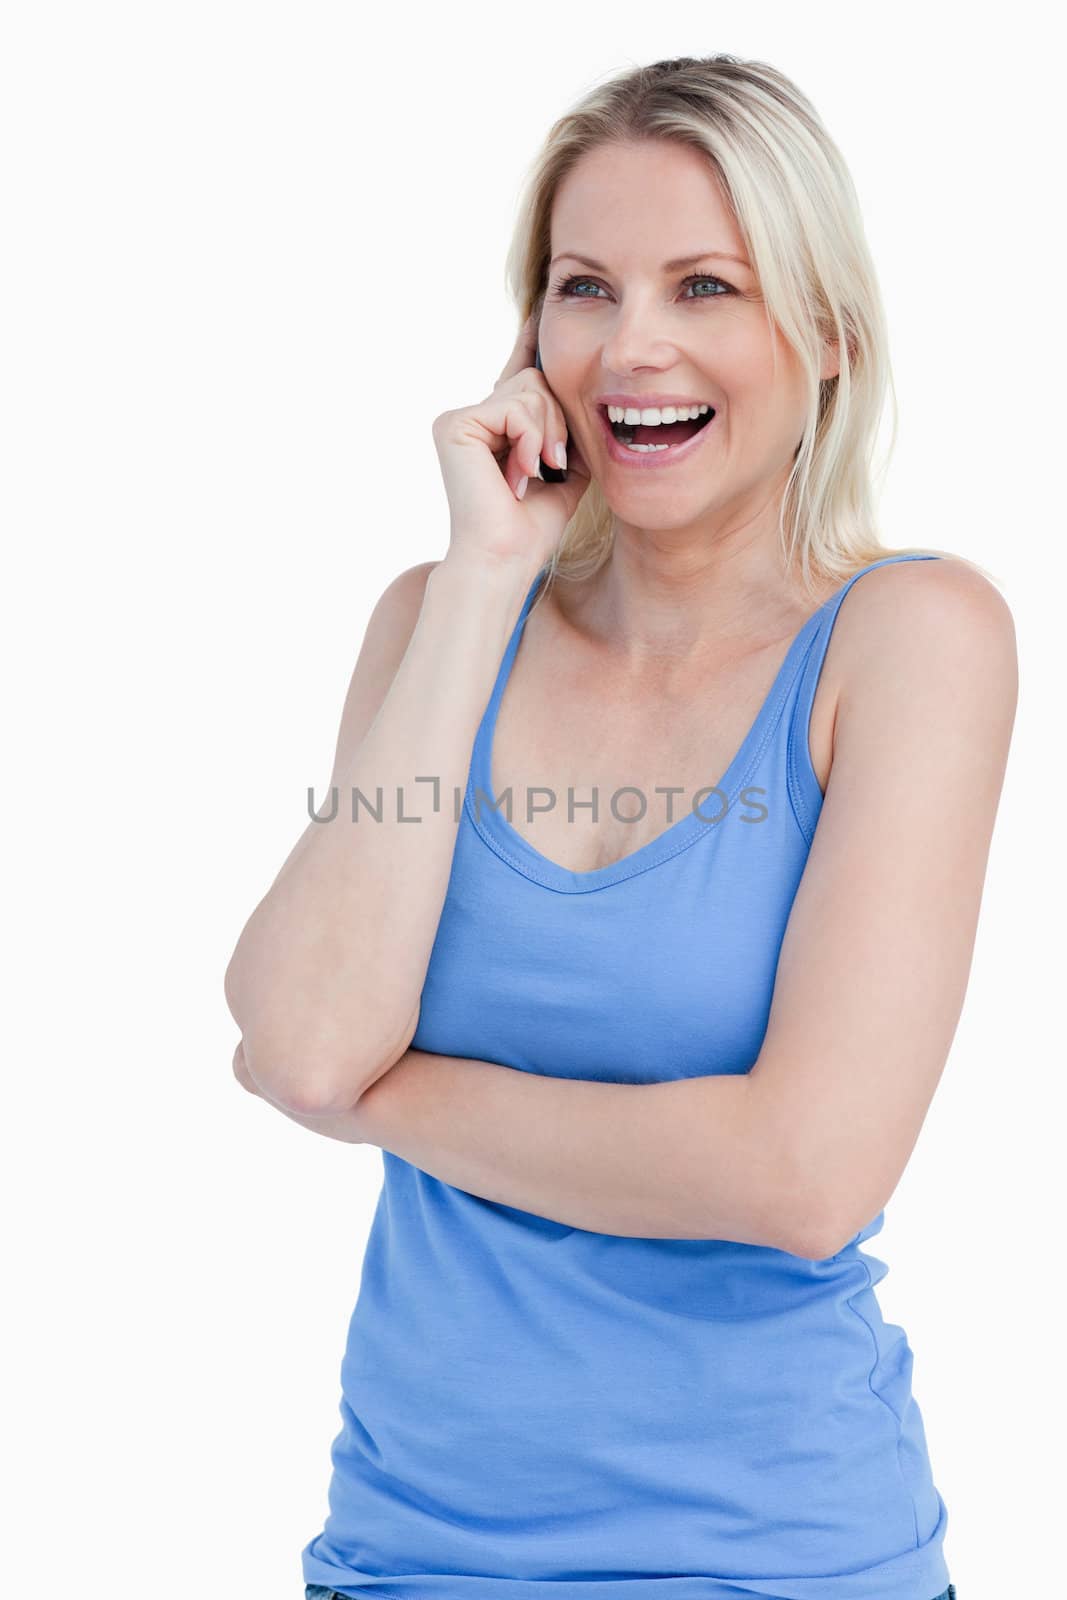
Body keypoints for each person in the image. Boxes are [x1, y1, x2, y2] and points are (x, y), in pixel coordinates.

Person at [225, 53, 1013, 1600]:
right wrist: (480, 581)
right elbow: (307, 1037)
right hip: (411, 1554)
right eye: (585, 288)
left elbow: (806, 1172)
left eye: (707, 286)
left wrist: (382, 1103)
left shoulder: (912, 639)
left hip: (778, 1559)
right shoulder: (434, 624)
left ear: (829, 333)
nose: (633, 347)